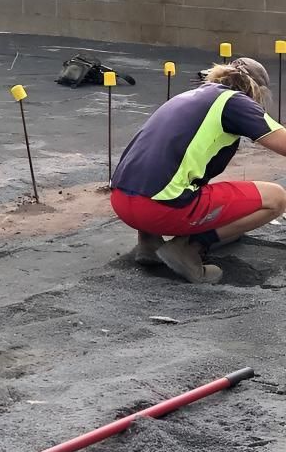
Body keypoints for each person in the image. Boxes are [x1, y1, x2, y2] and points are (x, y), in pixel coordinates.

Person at [110, 56, 286, 284]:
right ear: (256, 90)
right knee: (276, 198)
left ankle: (149, 243)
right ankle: (189, 247)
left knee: (173, 172)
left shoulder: (187, 97)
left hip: (122, 202)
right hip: (160, 208)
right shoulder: (235, 102)